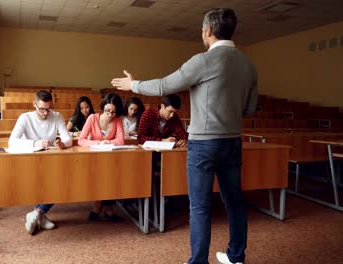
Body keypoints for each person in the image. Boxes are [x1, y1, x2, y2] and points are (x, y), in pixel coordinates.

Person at [111, 8, 258, 264]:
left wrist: (133, 85)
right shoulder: (249, 65)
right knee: (235, 201)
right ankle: (236, 257)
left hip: (203, 143)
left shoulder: (202, 61)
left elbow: (164, 85)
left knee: (200, 207)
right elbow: (249, 109)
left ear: (208, 31)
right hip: (233, 141)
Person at [9, 90, 73, 235]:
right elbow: (12, 142)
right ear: (34, 105)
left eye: (49, 108)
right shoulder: (25, 118)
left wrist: (62, 143)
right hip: (29, 162)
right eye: (42, 109)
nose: (46, 113)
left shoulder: (56, 116)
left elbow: (68, 139)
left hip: (49, 162)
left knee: (61, 180)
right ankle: (40, 215)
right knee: (48, 181)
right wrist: (35, 143)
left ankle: (37, 213)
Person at [78, 93, 125, 222]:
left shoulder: (118, 120)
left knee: (111, 175)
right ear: (103, 107)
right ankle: (104, 207)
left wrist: (108, 143)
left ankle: (101, 207)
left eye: (113, 112)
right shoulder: (93, 118)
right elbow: (81, 140)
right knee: (100, 176)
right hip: (95, 158)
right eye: (107, 111)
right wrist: (99, 143)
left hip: (110, 159)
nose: (110, 115)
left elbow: (121, 141)